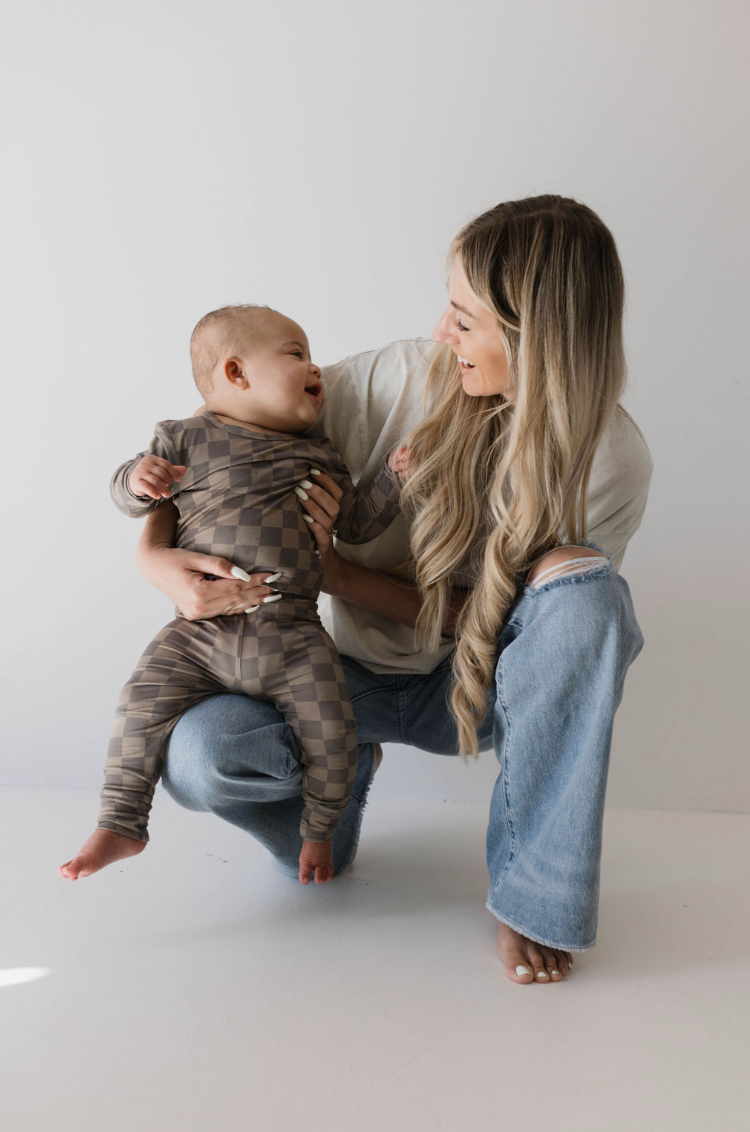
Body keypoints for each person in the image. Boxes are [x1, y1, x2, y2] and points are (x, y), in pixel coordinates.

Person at [129, 196, 652, 987]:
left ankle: (535, 900)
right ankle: (335, 795)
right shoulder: (392, 381)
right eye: (448, 308)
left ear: (534, 332)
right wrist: (152, 556)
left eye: (464, 318)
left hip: (472, 688)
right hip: (333, 680)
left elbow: (544, 646)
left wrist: (339, 573)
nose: (443, 333)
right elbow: (215, 431)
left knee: (589, 596)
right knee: (201, 753)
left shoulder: (612, 461)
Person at [58, 305, 403, 887]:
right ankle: (121, 820)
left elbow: (358, 526)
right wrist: (133, 479)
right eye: (296, 354)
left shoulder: (320, 456)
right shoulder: (181, 440)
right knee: (139, 701)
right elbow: (130, 497)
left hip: (291, 635)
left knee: (332, 727)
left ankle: (319, 829)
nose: (314, 365)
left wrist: (394, 479)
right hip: (197, 636)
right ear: (236, 373)